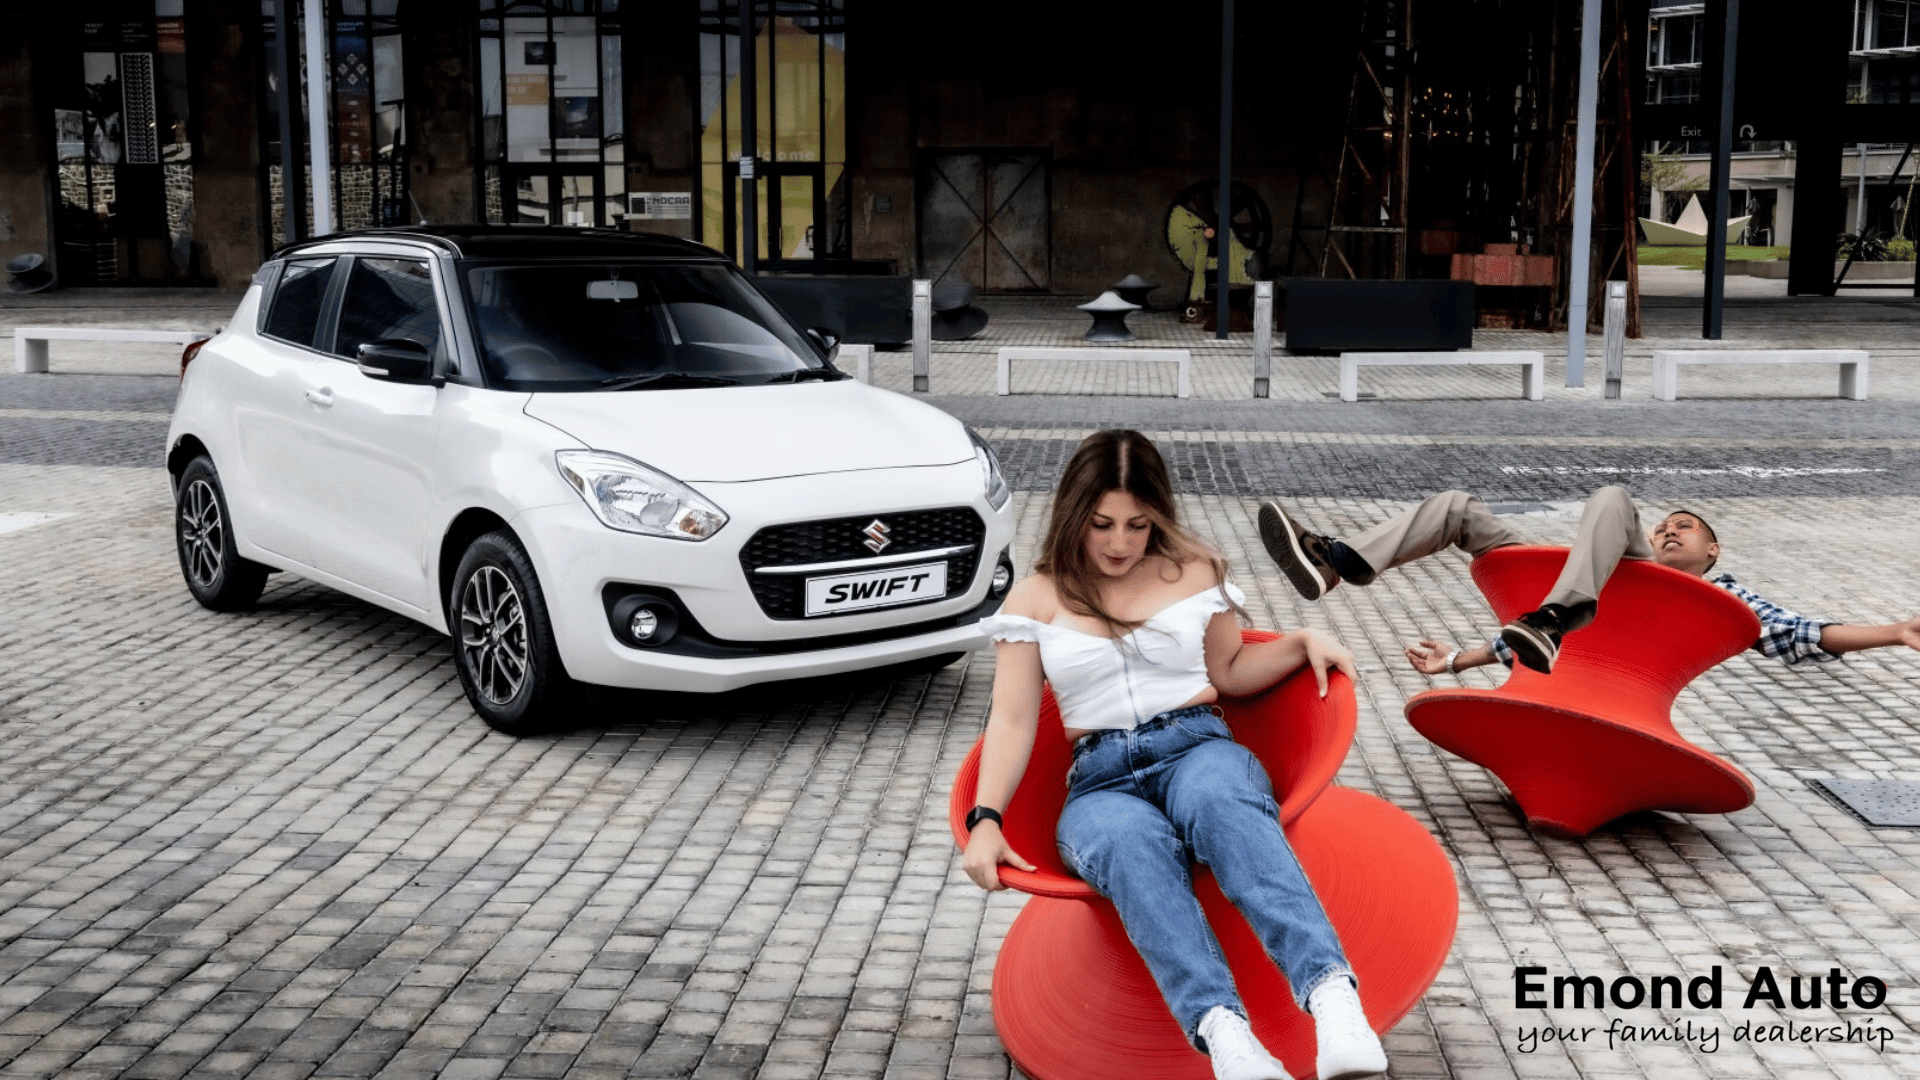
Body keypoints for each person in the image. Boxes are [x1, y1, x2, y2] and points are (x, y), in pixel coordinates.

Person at [962, 430, 1387, 1080]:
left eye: (1137, 525)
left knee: (1221, 799)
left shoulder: (1195, 571)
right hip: (1100, 781)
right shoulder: (1036, 598)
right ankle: (1227, 1038)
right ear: (1074, 514)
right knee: (1126, 843)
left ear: (1157, 517)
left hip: (1195, 746)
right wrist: (985, 819)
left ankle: (1333, 1002)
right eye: (1101, 524)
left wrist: (1301, 641)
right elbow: (1014, 719)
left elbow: (1231, 669)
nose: (1119, 543)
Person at [1257, 488, 1920, 676]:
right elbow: (1516, 639)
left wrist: (1894, 632)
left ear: (1714, 551)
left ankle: (1556, 617)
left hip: (1582, 613)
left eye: (1687, 528)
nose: (1670, 531)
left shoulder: (1725, 595)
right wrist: (1457, 660)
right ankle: (1338, 562)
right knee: (1458, 507)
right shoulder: (1619, 554)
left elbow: (1800, 634)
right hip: (1580, 587)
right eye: (1665, 526)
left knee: (1611, 498)